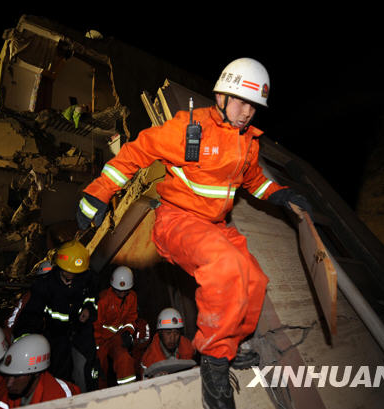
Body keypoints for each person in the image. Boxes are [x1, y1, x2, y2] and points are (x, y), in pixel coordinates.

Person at [76, 58, 312, 409]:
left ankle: (229, 348)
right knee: (224, 266)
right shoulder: (190, 129)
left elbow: (253, 181)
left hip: (214, 226)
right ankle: (214, 367)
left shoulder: (248, 143)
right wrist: (97, 193)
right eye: (240, 101)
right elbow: (136, 153)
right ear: (221, 95)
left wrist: (279, 194)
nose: (247, 112)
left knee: (254, 281)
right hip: (177, 219)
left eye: (253, 106)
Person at [11, 240, 100, 392]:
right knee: (59, 373)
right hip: (56, 335)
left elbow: (91, 295)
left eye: (76, 272)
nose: (72, 274)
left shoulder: (85, 277)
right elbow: (31, 315)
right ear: (60, 266)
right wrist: (27, 339)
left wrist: (88, 308)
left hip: (80, 331)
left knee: (88, 369)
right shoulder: (45, 286)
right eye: (68, 270)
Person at [0, 334, 80, 408]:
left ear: (36, 373)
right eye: (7, 375)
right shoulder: (7, 390)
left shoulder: (61, 398)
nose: (9, 383)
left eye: (17, 376)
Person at [94, 266, 138, 388]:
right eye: (119, 291)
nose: (122, 293)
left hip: (117, 338)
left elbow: (131, 318)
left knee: (125, 359)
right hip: (101, 340)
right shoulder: (103, 300)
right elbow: (96, 326)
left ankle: (129, 390)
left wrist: (128, 332)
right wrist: (95, 351)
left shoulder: (132, 297)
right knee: (99, 371)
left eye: (125, 291)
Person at [140, 307, 196, 378]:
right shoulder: (149, 359)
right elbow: (144, 383)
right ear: (160, 333)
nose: (172, 338)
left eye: (176, 333)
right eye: (168, 333)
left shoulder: (189, 349)